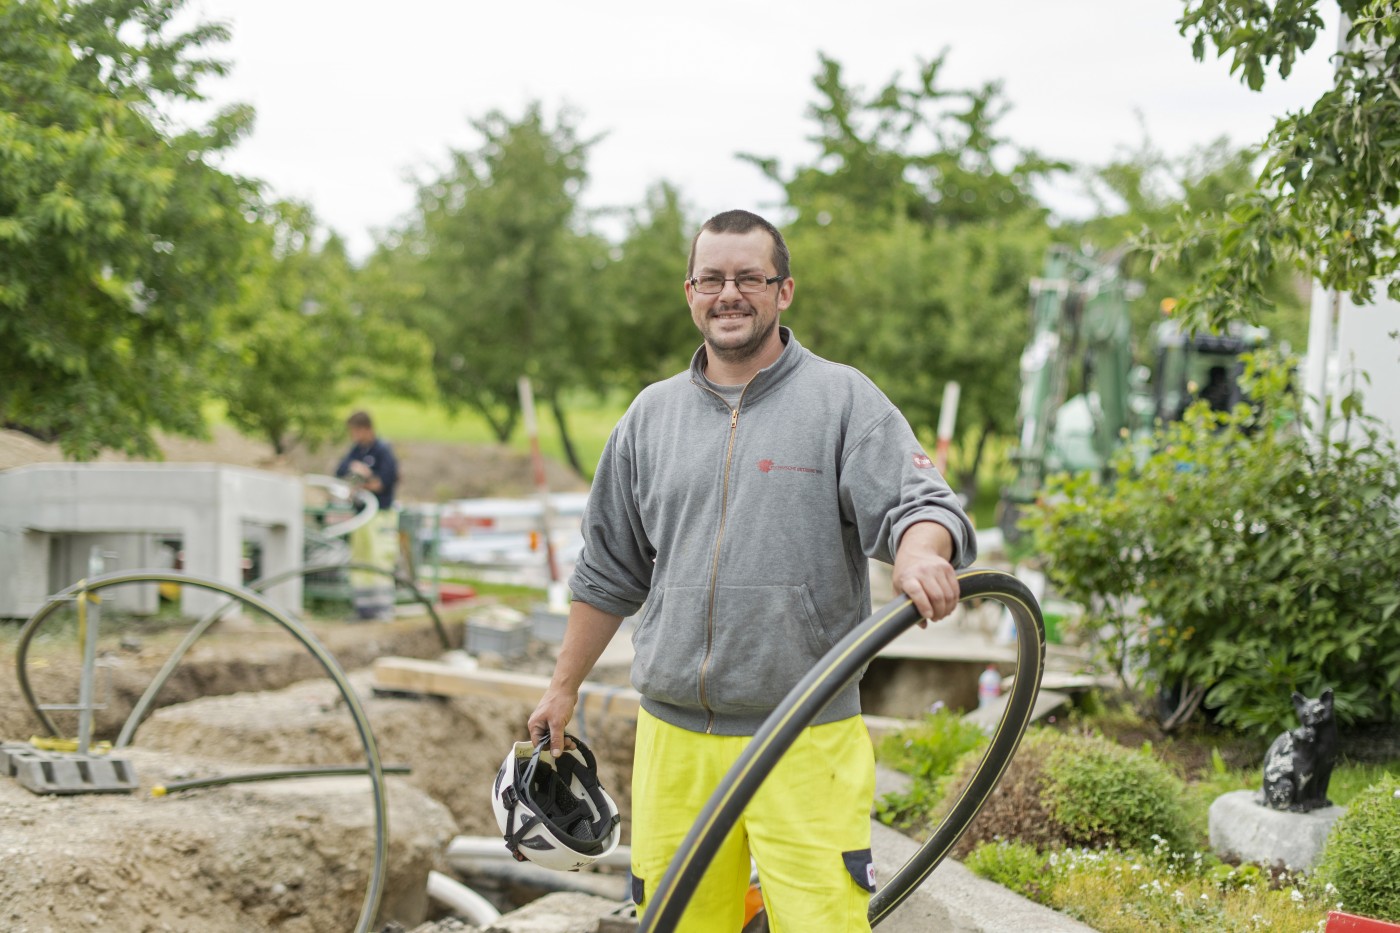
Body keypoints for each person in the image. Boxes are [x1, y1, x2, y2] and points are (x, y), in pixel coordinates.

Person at [527, 210, 975, 931]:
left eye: (749, 278)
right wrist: (562, 685)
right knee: (677, 923)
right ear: (690, 293)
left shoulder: (841, 400)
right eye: (711, 279)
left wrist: (922, 552)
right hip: (674, 740)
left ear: (783, 290)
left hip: (805, 736)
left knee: (822, 923)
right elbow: (607, 569)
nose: (728, 294)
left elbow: (921, 503)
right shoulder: (649, 417)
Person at [335, 410, 400, 620]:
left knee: (378, 558)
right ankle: (363, 608)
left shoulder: (382, 450)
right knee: (360, 558)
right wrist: (354, 469)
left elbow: (386, 481)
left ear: (365, 429)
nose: (353, 435)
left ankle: (382, 608)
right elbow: (340, 470)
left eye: (355, 431)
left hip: (380, 514)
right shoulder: (357, 451)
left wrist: (367, 477)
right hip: (360, 515)